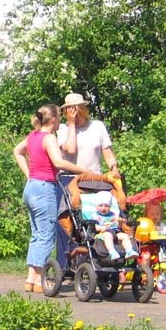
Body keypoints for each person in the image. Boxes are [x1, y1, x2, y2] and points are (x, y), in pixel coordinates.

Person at [13, 104, 90, 293]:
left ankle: (31, 278)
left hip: (31, 188)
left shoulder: (33, 136)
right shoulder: (49, 138)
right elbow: (58, 162)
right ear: (54, 119)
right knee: (47, 234)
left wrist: (29, 174)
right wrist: (83, 170)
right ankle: (40, 279)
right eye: (60, 118)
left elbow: (17, 151)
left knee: (37, 234)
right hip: (44, 189)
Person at [55, 92, 122, 269]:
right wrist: (71, 125)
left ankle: (96, 260)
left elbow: (107, 152)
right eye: (68, 111)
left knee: (94, 219)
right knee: (70, 223)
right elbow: (69, 150)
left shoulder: (97, 126)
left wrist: (113, 167)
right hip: (70, 180)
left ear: (82, 109)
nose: (72, 114)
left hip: (94, 181)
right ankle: (65, 264)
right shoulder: (62, 129)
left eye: (75, 110)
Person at [91, 191, 138, 261]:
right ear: (96, 206)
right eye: (100, 205)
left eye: (106, 206)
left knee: (125, 236)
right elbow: (94, 226)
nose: (103, 208)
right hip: (102, 233)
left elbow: (118, 226)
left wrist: (120, 221)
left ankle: (129, 251)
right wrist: (101, 228)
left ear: (110, 207)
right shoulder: (95, 215)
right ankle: (112, 252)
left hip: (115, 232)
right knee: (108, 236)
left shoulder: (112, 214)